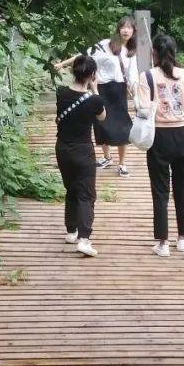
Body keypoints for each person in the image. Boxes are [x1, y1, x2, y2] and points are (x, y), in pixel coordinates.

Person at [135, 32, 184, 258]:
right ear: (173, 52)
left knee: (160, 191)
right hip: (182, 135)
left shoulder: (147, 77)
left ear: (154, 52)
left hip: (159, 137)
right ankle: (183, 238)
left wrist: (153, 106)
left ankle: (163, 243)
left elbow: (142, 110)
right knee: (182, 189)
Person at [55, 17, 137, 175]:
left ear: (133, 31)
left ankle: (122, 163)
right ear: (118, 29)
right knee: (101, 124)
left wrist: (136, 90)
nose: (126, 30)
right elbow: (83, 56)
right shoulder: (105, 44)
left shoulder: (132, 52)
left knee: (122, 126)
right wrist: (63, 64)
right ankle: (107, 156)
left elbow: (132, 75)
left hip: (119, 89)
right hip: (101, 87)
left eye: (129, 27)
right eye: (123, 27)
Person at [55, 53, 106, 258]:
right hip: (83, 150)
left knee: (71, 189)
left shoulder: (61, 93)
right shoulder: (95, 100)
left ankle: (71, 230)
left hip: (62, 149)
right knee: (86, 193)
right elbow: (103, 117)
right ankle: (84, 239)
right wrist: (94, 89)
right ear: (92, 75)